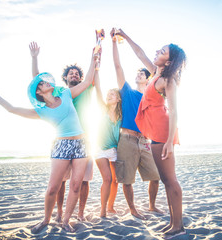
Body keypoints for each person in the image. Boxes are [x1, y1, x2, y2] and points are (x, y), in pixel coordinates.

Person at [0, 49, 97, 233]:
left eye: (45, 81)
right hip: (61, 145)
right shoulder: (41, 111)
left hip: (81, 144)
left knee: (76, 185)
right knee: (53, 187)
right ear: (40, 93)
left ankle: (66, 220)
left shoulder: (66, 94)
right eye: (42, 84)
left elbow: (89, 79)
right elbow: (11, 108)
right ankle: (46, 219)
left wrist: (93, 56)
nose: (45, 83)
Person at [114, 29, 187, 239]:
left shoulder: (168, 79)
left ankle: (179, 225)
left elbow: (174, 111)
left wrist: (169, 142)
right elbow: (140, 53)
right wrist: (125, 36)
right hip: (157, 133)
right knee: (165, 180)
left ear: (170, 59)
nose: (157, 51)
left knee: (170, 180)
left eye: (162, 51)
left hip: (164, 133)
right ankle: (174, 223)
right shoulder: (156, 74)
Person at [29, 42, 94, 222]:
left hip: (85, 139)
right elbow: (37, 83)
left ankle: (79, 214)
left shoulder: (87, 87)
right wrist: (34, 58)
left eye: (77, 73)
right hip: (63, 140)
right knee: (61, 182)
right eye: (71, 73)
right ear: (65, 77)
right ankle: (58, 213)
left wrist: (96, 49)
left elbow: (91, 74)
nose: (74, 75)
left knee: (83, 181)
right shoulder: (60, 92)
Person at [110, 28, 162, 220]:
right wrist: (114, 42)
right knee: (127, 179)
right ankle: (132, 209)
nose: (139, 74)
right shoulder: (127, 92)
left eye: (143, 73)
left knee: (155, 176)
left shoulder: (151, 96)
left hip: (145, 141)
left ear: (148, 78)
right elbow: (117, 66)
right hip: (127, 139)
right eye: (138, 73)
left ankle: (152, 206)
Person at [93, 55, 122, 217]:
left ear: (118, 98)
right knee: (107, 179)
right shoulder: (102, 109)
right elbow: (98, 87)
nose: (109, 95)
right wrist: (97, 68)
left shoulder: (122, 114)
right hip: (100, 148)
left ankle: (110, 206)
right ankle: (103, 209)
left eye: (112, 94)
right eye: (108, 94)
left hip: (115, 150)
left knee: (115, 180)